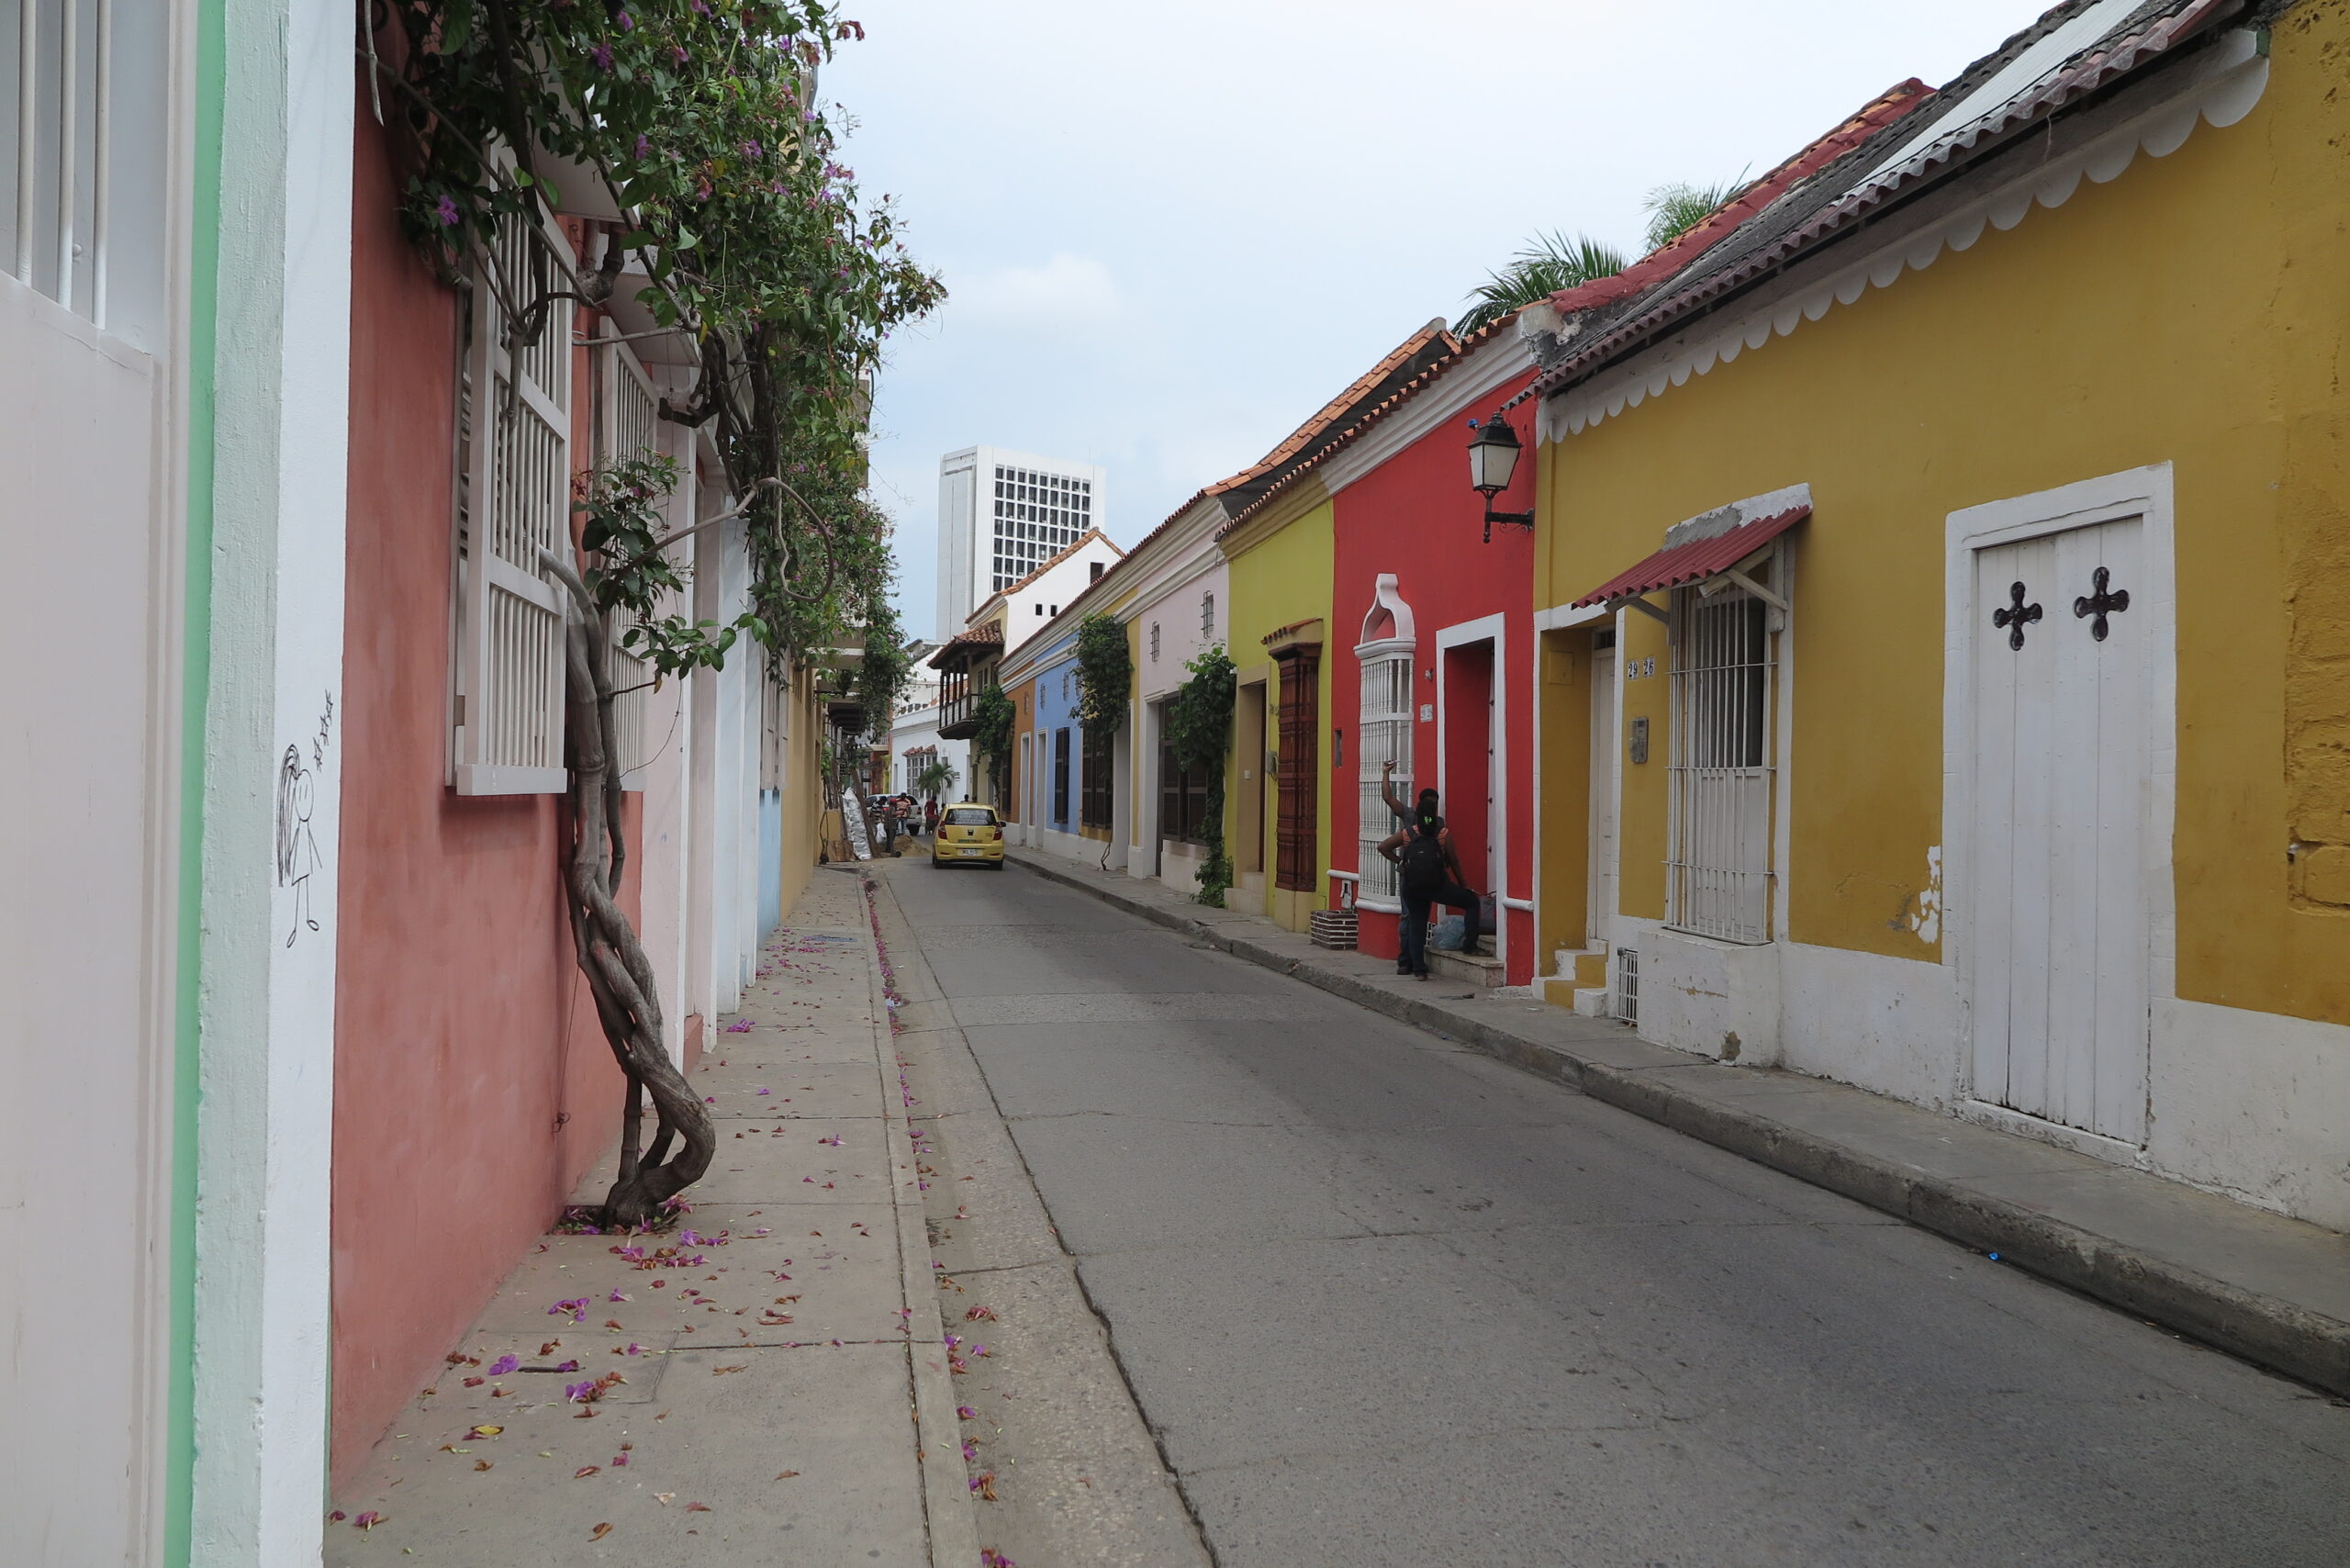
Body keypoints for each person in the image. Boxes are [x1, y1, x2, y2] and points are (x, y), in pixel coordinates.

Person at [1377, 761, 1488, 969]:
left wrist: (1385, 773)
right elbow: (1452, 859)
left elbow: (1387, 799)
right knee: (1421, 918)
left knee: (1411, 919)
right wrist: (1463, 884)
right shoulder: (1440, 826)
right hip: (1436, 881)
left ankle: (1407, 963)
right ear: (1434, 805)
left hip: (1409, 879)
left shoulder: (1409, 819)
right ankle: (1467, 946)